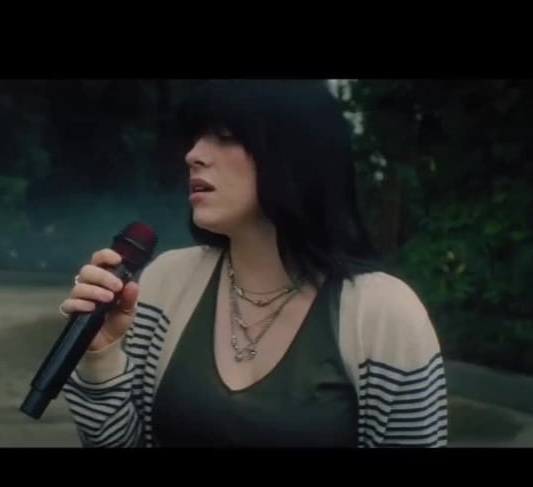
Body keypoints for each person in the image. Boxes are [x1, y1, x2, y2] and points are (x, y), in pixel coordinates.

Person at [58, 80, 447, 448]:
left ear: (296, 154)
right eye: (196, 137)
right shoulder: (165, 281)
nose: (193, 155)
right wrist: (101, 354)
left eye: (225, 137)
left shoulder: (383, 315)